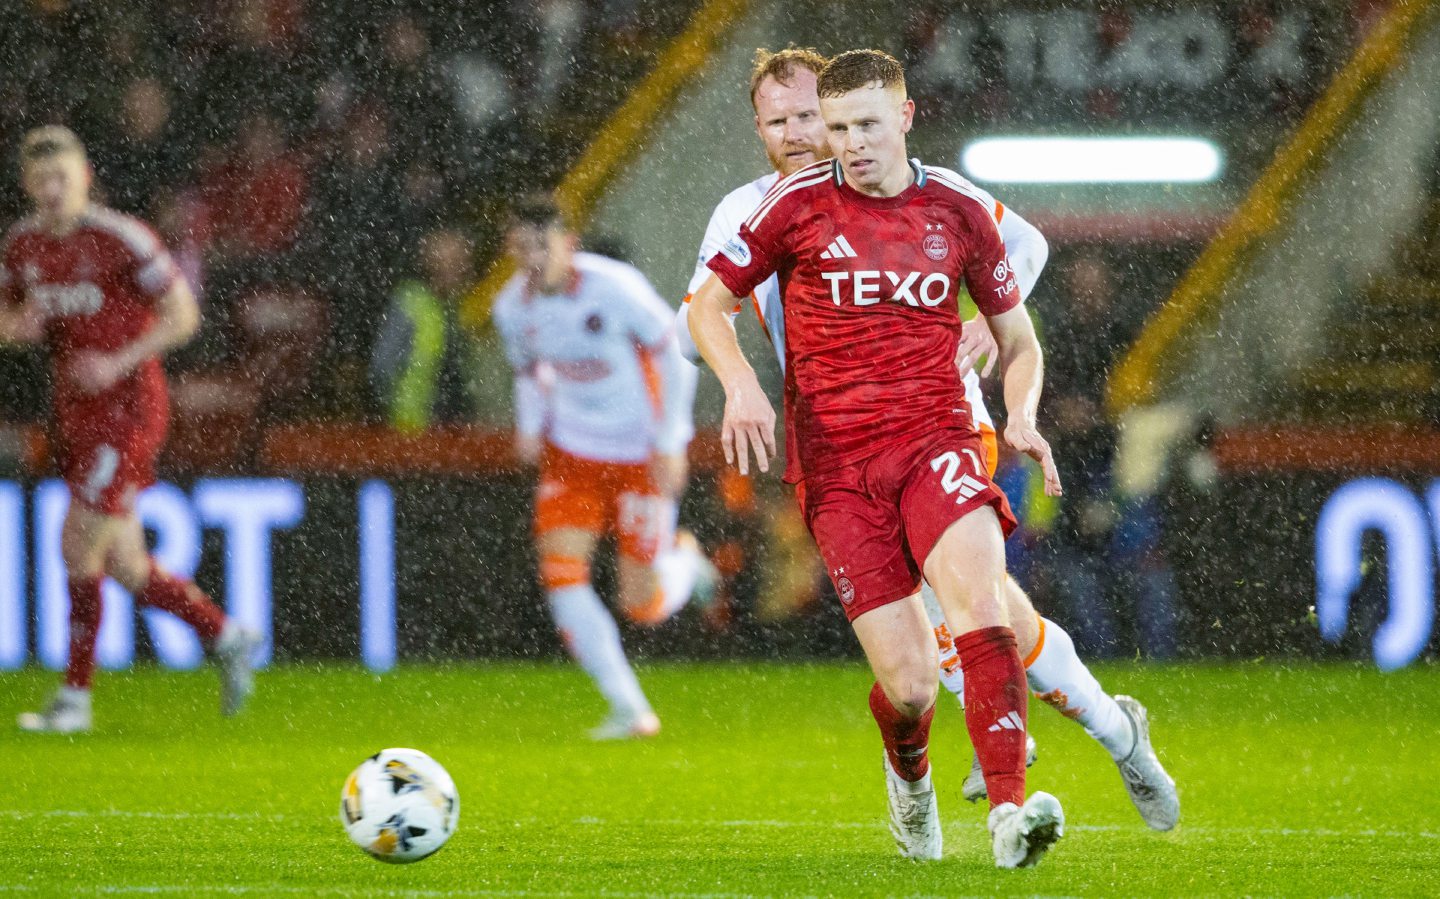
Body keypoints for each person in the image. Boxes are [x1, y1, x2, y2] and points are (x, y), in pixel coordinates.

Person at [678, 47, 1179, 841]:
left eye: (816, 116)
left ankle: (1001, 767)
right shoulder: (753, 209)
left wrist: (982, 322)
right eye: (785, 123)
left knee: (971, 605)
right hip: (837, 451)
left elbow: (1027, 255)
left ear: (883, 116)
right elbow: (693, 322)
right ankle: (1102, 728)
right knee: (963, 642)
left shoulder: (941, 196)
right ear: (759, 130)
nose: (809, 135)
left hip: (944, 423)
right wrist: (739, 372)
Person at [0, 126, 262, 734]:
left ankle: (74, 699)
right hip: (74, 413)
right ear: (26, 186)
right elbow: (7, 318)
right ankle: (227, 636)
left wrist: (117, 361)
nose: (52, 190)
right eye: (41, 180)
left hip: (129, 410)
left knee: (75, 544)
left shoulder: (120, 238)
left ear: (85, 177)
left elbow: (183, 316)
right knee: (126, 566)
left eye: (62, 177)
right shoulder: (21, 246)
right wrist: (21, 326)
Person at [492, 195, 715, 740]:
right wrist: (529, 429)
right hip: (571, 456)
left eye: (542, 245)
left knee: (642, 604)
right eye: (521, 247)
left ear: (569, 244)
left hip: (640, 456)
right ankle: (629, 709)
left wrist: (672, 440)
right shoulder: (511, 308)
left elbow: (673, 355)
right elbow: (526, 372)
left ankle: (686, 565)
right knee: (562, 577)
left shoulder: (613, 288)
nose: (532, 257)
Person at [371, 227, 481, 431]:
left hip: (445, 425)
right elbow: (382, 366)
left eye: (461, 262)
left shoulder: (457, 305)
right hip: (412, 426)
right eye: (453, 263)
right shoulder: (412, 301)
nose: (460, 269)